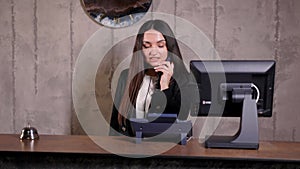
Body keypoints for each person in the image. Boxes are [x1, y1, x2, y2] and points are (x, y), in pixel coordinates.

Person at [109, 19, 191, 136]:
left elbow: (178, 119)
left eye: (160, 45)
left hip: (165, 148)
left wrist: (165, 86)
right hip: (129, 148)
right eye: (147, 46)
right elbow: (115, 125)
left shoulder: (183, 79)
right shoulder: (126, 76)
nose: (153, 52)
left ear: (169, 48)